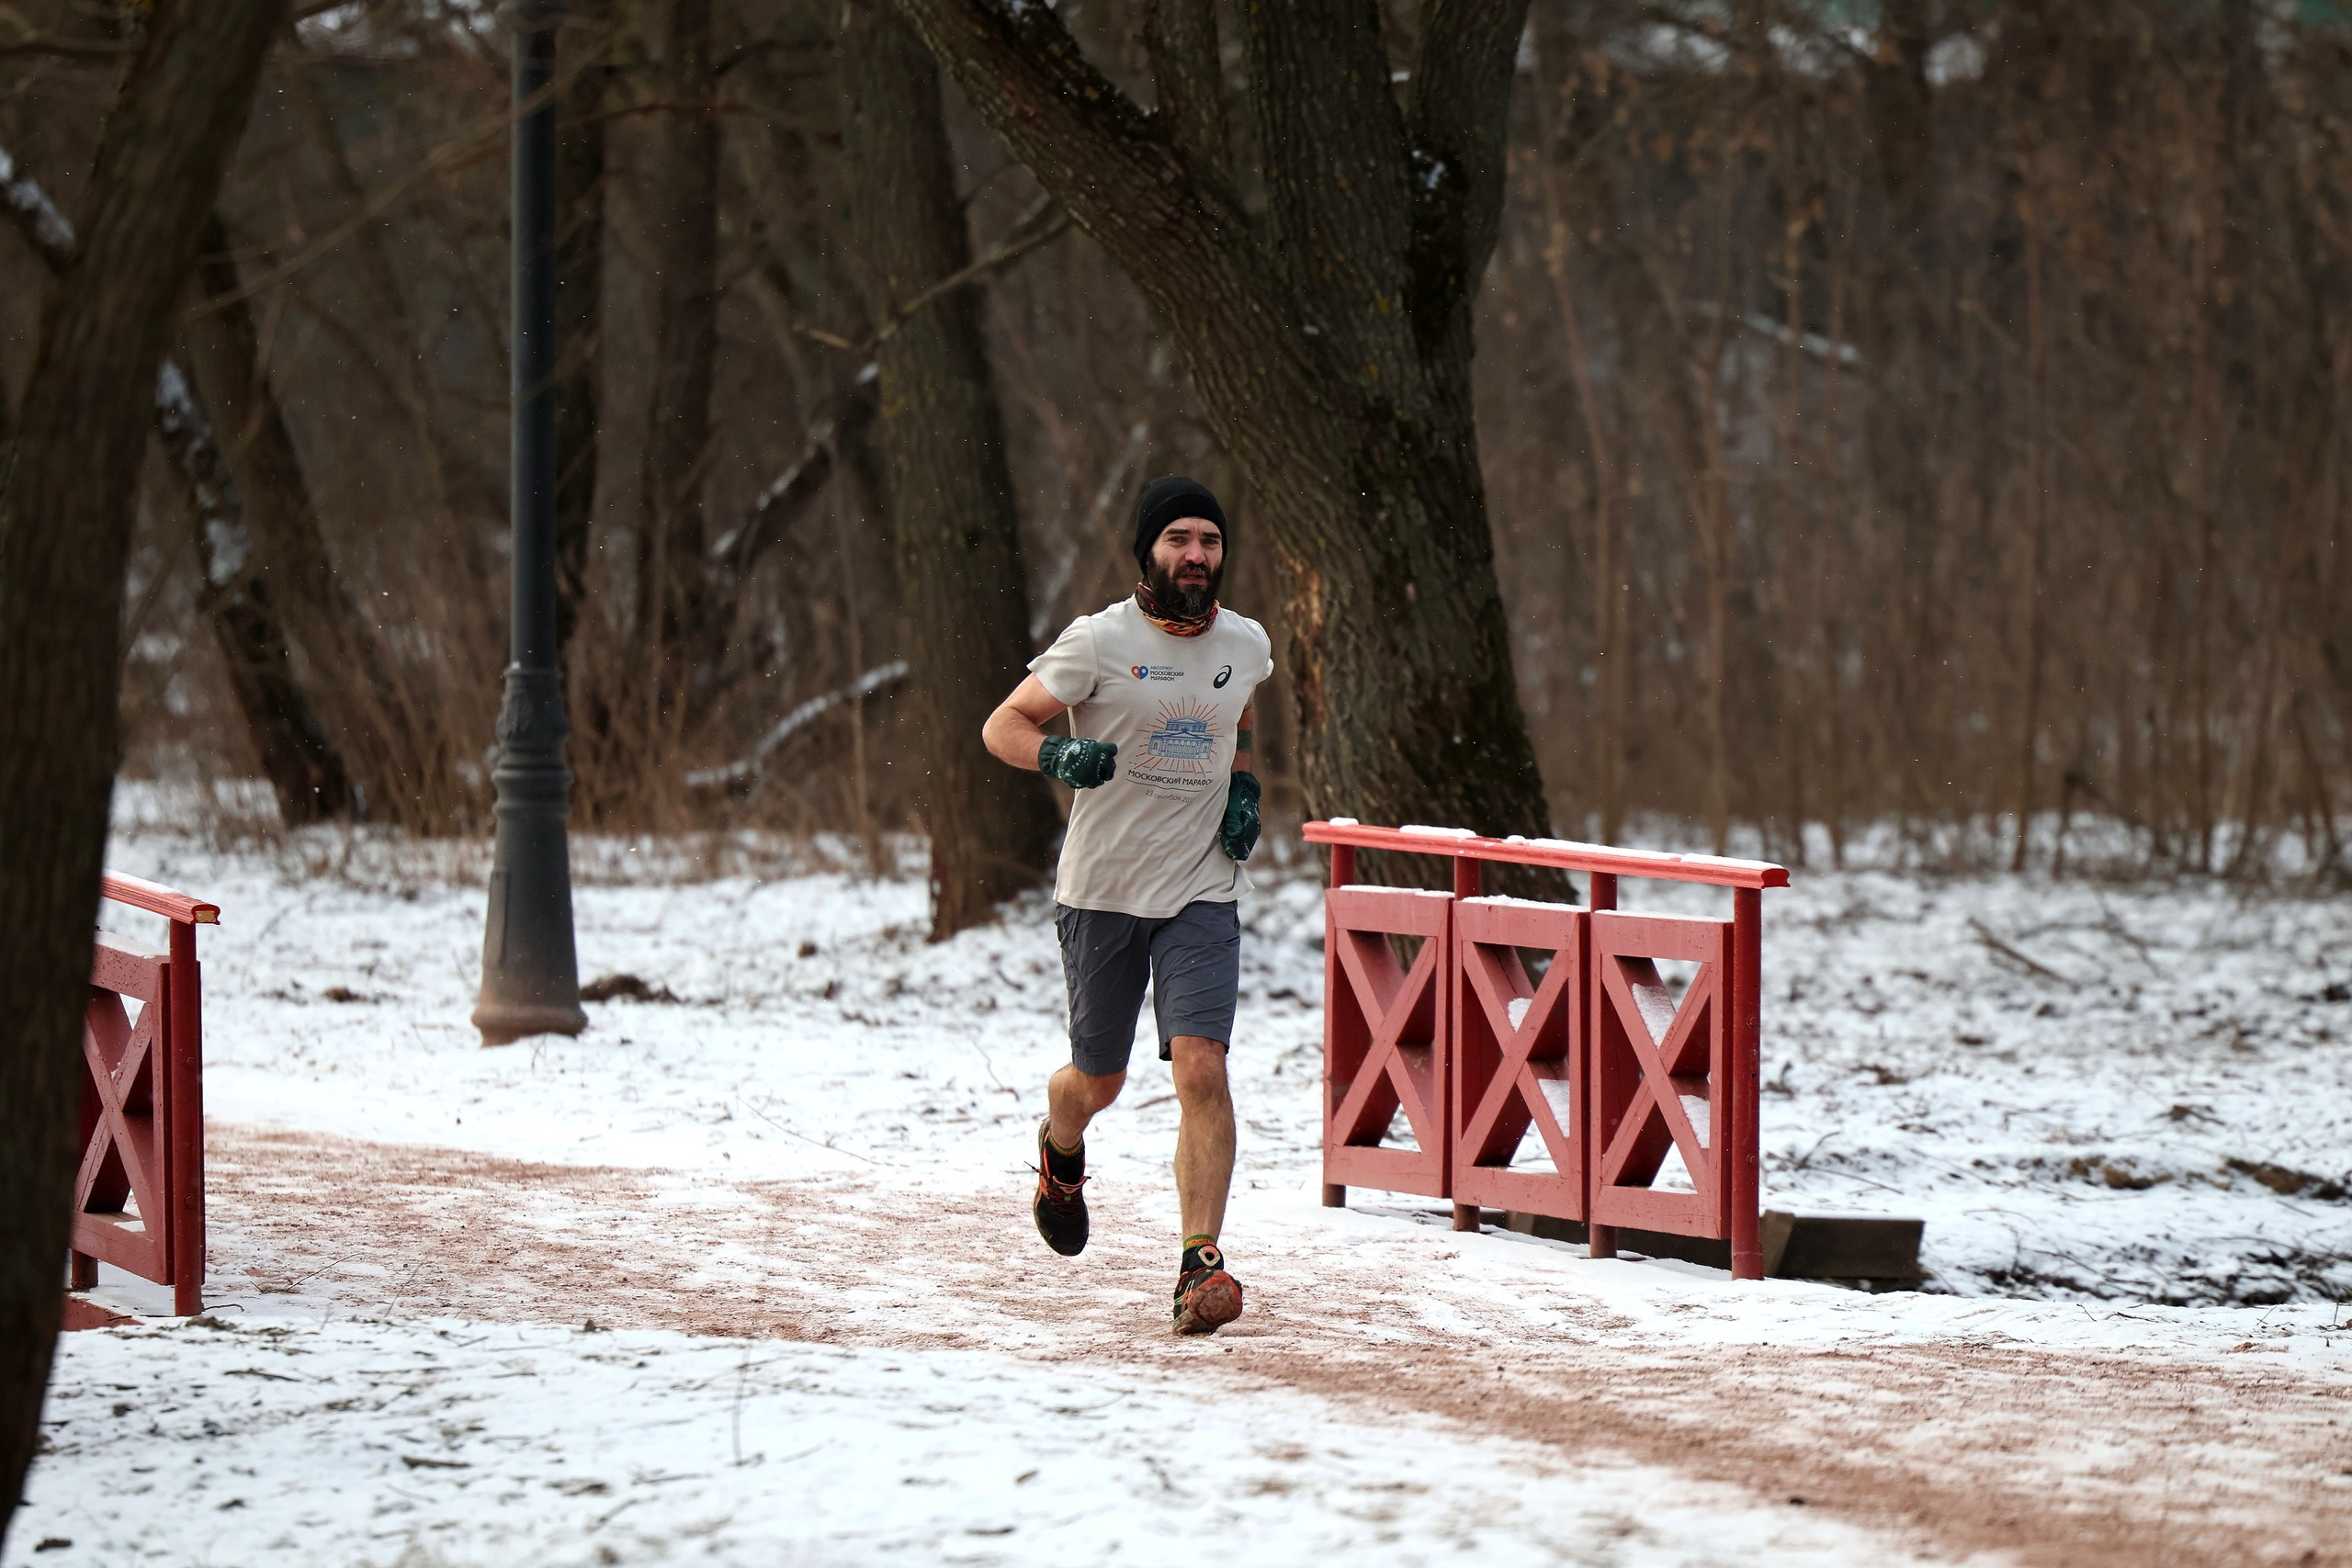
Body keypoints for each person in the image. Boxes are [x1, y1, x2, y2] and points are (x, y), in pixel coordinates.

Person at [980, 476, 1272, 1336]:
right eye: (1179, 538)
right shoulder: (1098, 642)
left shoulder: (1246, 643)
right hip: (1104, 888)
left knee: (1203, 1069)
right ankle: (1059, 1147)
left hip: (1202, 885)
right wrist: (1060, 753)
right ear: (1149, 549)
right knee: (1096, 1081)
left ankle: (1199, 1263)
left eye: (1209, 541)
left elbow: (1238, 717)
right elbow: (1002, 725)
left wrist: (1244, 784)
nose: (1196, 554)